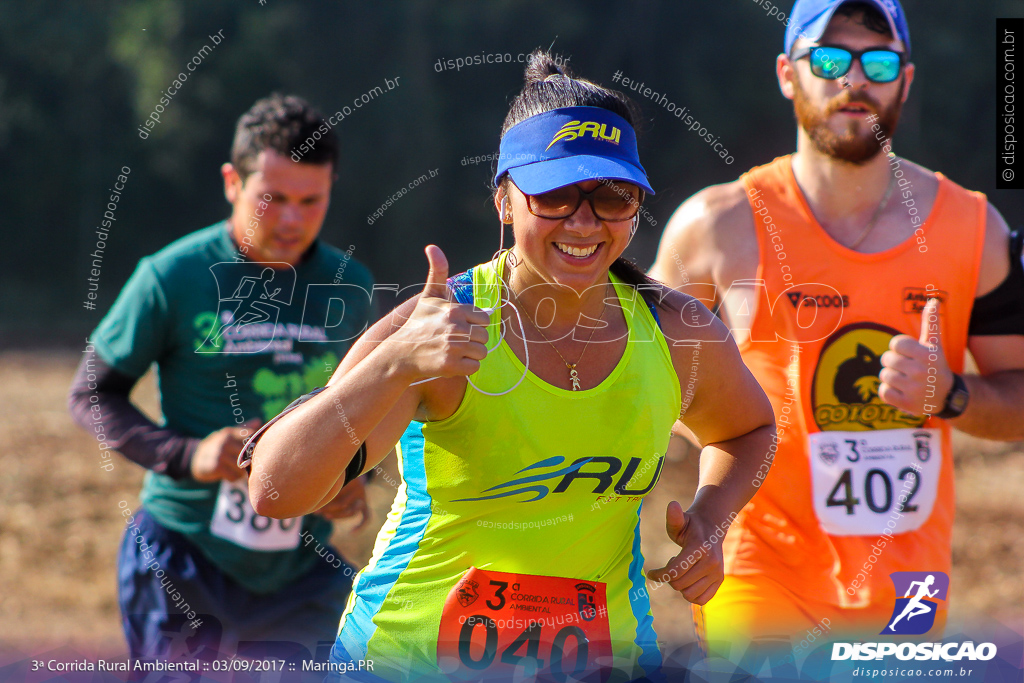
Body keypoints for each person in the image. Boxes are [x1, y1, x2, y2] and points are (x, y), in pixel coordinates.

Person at [239, 51, 776, 683]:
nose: (584, 221)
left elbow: (750, 430)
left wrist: (711, 522)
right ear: (504, 200)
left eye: (612, 196)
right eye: (553, 196)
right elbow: (275, 491)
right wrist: (392, 364)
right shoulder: (439, 327)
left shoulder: (677, 333)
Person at [650, 0, 1024, 666]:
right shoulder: (715, 227)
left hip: (910, 586)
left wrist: (953, 395)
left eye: (878, 61)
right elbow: (637, 376)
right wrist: (722, 427)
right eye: (828, 58)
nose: (855, 79)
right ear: (788, 74)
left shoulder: (977, 231)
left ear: (905, 80)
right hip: (757, 565)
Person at [68, 93, 377, 667]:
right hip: (183, 559)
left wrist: (353, 474)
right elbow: (90, 394)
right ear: (232, 182)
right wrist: (191, 454)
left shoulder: (351, 284)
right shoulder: (171, 276)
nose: (291, 220)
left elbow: (368, 410)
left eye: (312, 201)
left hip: (303, 574)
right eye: (273, 199)